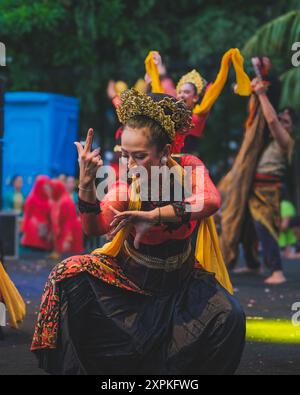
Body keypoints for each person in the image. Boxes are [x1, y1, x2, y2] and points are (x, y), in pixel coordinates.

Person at [31, 90, 245, 375]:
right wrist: (85, 183)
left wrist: (154, 215)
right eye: (125, 155)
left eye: (140, 156)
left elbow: (210, 201)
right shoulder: (125, 187)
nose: (130, 165)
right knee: (64, 276)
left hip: (182, 285)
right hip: (131, 286)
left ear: (166, 151)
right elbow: (94, 227)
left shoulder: (189, 168)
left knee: (230, 316)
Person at [220, 73, 295, 284]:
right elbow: (260, 121)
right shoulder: (264, 142)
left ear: (292, 127)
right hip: (252, 187)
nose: (281, 123)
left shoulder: (286, 142)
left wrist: (262, 94)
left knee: (264, 227)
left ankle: (277, 271)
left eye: (286, 121)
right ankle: (253, 264)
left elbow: (270, 120)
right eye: (281, 119)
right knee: (245, 226)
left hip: (268, 190)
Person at [49, 179, 84, 257]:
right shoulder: (57, 200)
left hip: (70, 233)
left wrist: (67, 239)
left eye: (52, 188)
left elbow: (69, 222)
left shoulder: (65, 201)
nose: (50, 191)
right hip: (64, 233)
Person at [21, 175, 53, 251]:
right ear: (40, 186)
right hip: (33, 232)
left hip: (45, 232)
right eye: (46, 185)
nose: (48, 187)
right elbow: (27, 216)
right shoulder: (31, 199)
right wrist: (24, 232)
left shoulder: (49, 199)